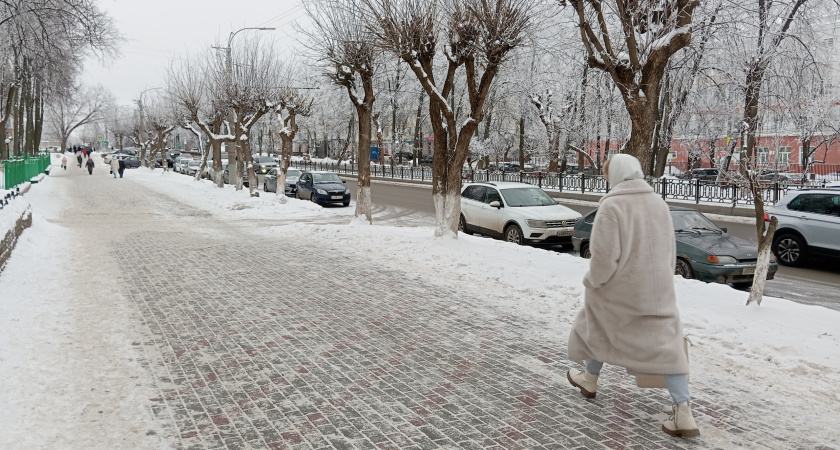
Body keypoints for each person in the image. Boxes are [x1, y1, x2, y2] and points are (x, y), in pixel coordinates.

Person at [566, 154, 699, 438]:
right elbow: (670, 251)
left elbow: (604, 259)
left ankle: (589, 378)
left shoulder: (612, 207)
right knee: (667, 347)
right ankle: (683, 410)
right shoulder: (659, 203)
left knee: (595, 325)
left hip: (619, 291)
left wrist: (592, 281)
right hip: (656, 292)